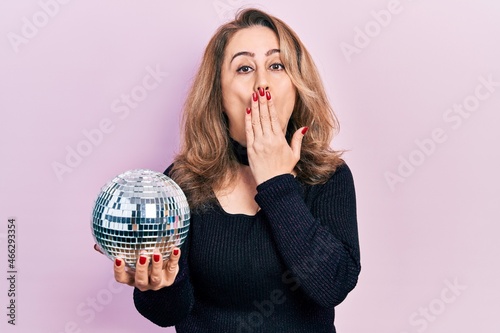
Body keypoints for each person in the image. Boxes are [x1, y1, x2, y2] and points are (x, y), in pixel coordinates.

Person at [96, 8, 361, 332]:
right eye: (244, 67)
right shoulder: (182, 184)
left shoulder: (328, 176)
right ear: (218, 94)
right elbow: (169, 314)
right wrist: (156, 284)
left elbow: (332, 286)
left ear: (296, 85)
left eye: (277, 65)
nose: (262, 81)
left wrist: (276, 182)